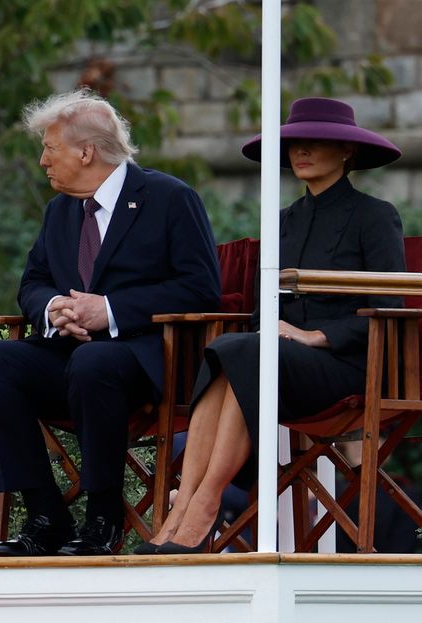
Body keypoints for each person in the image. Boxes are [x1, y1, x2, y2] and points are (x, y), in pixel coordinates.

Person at [0, 88, 221, 557]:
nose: (42, 160)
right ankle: (46, 515)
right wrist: (54, 306)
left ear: (86, 151)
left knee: (95, 362)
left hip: (146, 360)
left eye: (50, 148)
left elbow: (201, 288)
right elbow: (33, 281)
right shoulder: (60, 210)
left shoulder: (169, 198)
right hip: (72, 357)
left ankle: (104, 517)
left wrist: (111, 309)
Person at [140, 97, 405, 554]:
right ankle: (184, 507)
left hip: (347, 366)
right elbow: (266, 314)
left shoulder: (375, 215)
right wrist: (280, 332)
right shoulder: (281, 222)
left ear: (347, 152)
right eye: (294, 142)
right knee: (230, 348)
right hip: (277, 362)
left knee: (248, 351)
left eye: (316, 142)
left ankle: (204, 505)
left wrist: (316, 336)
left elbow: (389, 305)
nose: (300, 150)